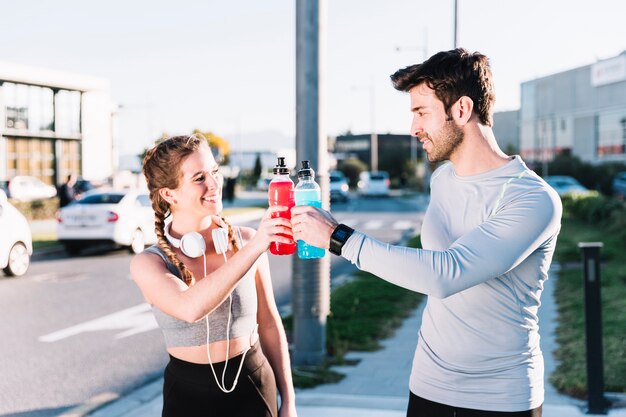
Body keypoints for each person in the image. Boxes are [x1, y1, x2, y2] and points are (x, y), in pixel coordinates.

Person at [291, 48, 561, 417]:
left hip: (500, 397)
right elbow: (424, 265)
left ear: (461, 110)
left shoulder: (533, 199)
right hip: (428, 385)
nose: (413, 128)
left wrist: (339, 238)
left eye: (421, 113)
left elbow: (447, 274)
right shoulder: (443, 179)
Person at [131, 134, 297, 417]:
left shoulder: (245, 240)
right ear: (169, 194)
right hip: (187, 396)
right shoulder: (149, 262)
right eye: (199, 178)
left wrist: (289, 402)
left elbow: (269, 323)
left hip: (253, 384)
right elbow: (189, 308)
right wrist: (255, 248)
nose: (214, 184)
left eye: (215, 172)